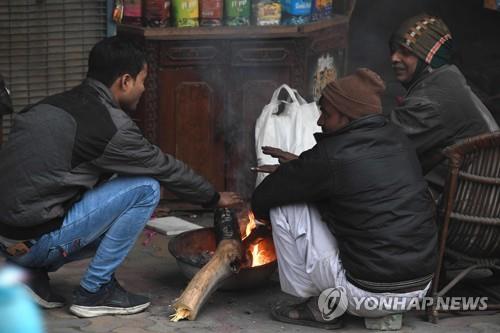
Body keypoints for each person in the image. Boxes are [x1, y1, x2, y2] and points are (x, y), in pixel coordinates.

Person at [0, 36, 242, 318]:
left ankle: (30, 274)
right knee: (147, 188)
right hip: (34, 241)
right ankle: (94, 291)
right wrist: (213, 197)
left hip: (9, 240)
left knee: (107, 178)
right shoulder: (109, 127)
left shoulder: (50, 105)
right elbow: (162, 166)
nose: (143, 89)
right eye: (142, 80)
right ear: (125, 81)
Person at [251, 68, 437, 329]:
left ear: (346, 116)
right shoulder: (398, 139)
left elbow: (263, 198)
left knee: (283, 206)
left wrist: (294, 177)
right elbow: (357, 181)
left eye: (325, 114)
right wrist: (301, 168)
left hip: (369, 292)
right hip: (419, 288)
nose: (319, 122)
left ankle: (318, 305)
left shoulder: (333, 154)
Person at [388, 13, 498, 192]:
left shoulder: (429, 101)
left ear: (427, 57)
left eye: (405, 52)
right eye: (393, 50)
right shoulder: (447, 76)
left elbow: (382, 147)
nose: (394, 58)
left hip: (465, 203)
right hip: (481, 196)